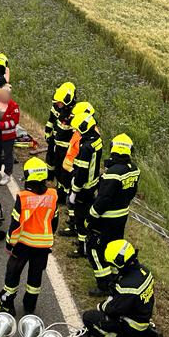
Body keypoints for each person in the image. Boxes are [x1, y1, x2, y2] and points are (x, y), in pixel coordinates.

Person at [0, 157, 59, 316]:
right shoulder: (53, 195)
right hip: (42, 247)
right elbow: (54, 222)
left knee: (12, 275)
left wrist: (9, 245)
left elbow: (15, 225)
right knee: (35, 279)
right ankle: (29, 307)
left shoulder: (23, 198)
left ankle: (6, 305)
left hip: (22, 245)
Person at [79, 240, 162, 337]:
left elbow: (113, 310)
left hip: (131, 324)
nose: (112, 267)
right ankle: (148, 333)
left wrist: (101, 306)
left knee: (88, 317)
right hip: (143, 317)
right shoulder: (145, 271)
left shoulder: (126, 286)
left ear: (119, 263)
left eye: (112, 265)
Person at [87, 133, 139, 296]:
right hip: (122, 215)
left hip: (107, 219)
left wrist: (91, 216)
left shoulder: (112, 173)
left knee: (94, 248)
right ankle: (117, 276)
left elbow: (103, 199)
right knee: (115, 246)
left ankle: (104, 284)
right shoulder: (134, 169)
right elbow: (131, 192)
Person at [67, 101, 103, 258]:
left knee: (81, 218)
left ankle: (82, 248)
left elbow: (81, 172)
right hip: (93, 183)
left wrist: (75, 190)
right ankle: (86, 242)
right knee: (87, 215)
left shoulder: (86, 147)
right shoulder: (96, 140)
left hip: (84, 187)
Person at [45, 81, 77, 185]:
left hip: (65, 146)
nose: (57, 104)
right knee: (50, 158)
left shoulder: (73, 114)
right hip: (55, 138)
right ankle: (50, 177)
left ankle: (60, 185)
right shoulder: (57, 107)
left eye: (60, 103)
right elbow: (51, 120)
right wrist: (47, 132)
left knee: (61, 167)